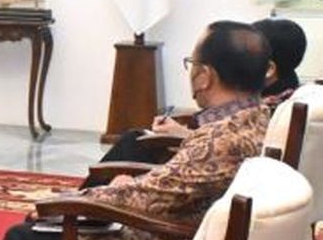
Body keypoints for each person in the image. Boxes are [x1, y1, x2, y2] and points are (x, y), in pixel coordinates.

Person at [0, 20, 271, 240]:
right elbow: (169, 187)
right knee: (54, 220)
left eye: (192, 64)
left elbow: (147, 198)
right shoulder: (257, 118)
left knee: (24, 237)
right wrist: (123, 188)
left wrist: (69, 203)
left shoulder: (222, 142)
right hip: (183, 233)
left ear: (205, 76)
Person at [89, 16, 305, 172]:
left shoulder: (225, 141)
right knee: (136, 139)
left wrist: (122, 186)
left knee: (133, 144)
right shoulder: (266, 109)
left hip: (150, 225)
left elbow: (218, 151)